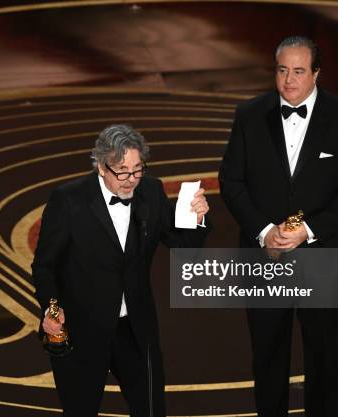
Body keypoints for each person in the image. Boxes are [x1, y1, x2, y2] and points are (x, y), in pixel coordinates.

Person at [219, 36, 338, 417]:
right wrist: (263, 230)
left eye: (299, 71)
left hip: (324, 259)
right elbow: (231, 181)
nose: (289, 80)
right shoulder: (249, 115)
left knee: (325, 355)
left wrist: (309, 230)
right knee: (267, 355)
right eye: (282, 70)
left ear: (316, 74)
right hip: (264, 257)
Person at [32, 124, 211, 416]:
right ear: (101, 166)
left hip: (136, 329)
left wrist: (199, 217)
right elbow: (44, 265)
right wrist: (51, 308)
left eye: (137, 169)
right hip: (82, 330)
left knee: (152, 409)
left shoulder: (151, 191)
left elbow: (183, 244)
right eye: (122, 171)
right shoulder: (68, 200)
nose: (131, 180)